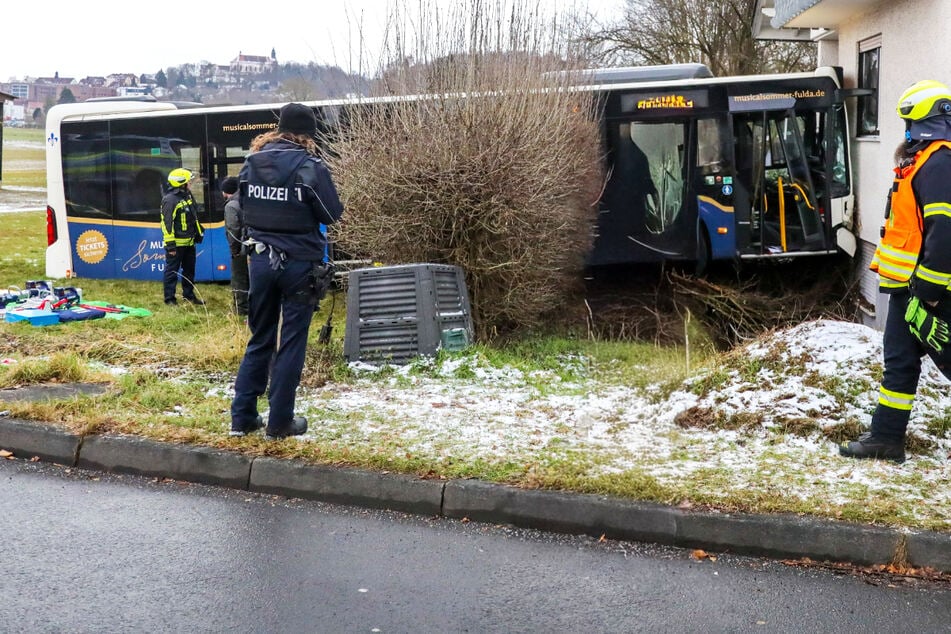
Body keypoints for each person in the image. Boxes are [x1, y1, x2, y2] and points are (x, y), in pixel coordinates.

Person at [840, 80, 951, 463]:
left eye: (909, 121)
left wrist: (930, 288)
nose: (906, 131)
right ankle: (886, 438)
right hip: (909, 289)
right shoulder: (920, 162)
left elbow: (945, 232)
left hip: (931, 291)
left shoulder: (939, 163)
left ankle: (886, 437)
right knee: (899, 363)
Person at [229, 103, 344, 439]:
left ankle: (243, 417)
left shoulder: (252, 163)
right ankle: (279, 422)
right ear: (307, 134)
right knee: (291, 341)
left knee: (260, 337)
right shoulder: (310, 166)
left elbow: (243, 207)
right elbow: (330, 214)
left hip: (261, 262)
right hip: (298, 264)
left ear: (279, 129)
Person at [161, 168, 205, 305]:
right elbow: (167, 225)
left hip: (190, 243)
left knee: (189, 271)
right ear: (181, 183)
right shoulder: (170, 200)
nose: (190, 183)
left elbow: (194, 217)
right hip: (177, 245)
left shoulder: (187, 195)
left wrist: (197, 234)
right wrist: (170, 246)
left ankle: (189, 296)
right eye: (188, 181)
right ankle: (170, 299)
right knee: (171, 272)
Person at [221, 176, 249, 316]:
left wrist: (234, 250)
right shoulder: (246, 199)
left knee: (239, 278)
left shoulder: (231, 206)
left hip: (241, 248)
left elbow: (233, 230)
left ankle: (242, 309)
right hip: (252, 246)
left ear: (225, 192)